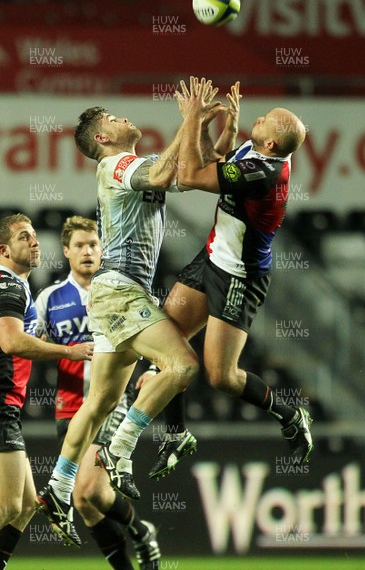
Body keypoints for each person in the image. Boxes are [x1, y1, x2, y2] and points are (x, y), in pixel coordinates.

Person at [36, 92, 234, 546]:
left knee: (101, 400)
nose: (124, 117)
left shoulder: (130, 165)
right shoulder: (114, 165)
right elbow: (166, 172)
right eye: (113, 117)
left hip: (113, 294)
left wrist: (203, 124)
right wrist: (187, 120)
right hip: (121, 292)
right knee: (182, 366)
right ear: (104, 137)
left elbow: (186, 170)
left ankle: (59, 486)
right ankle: (119, 450)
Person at [148, 77, 313, 480]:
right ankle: (176, 435)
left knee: (222, 377)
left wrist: (190, 118)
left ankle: (290, 414)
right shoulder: (258, 151)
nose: (260, 118)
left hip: (238, 276)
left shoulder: (262, 172)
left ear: (270, 145)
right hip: (210, 259)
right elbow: (209, 159)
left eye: (267, 122)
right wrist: (221, 127)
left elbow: (188, 177)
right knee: (168, 342)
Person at [36, 215, 161, 569]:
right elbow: (29, 345)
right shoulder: (50, 298)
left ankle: (140, 531)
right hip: (68, 408)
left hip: (108, 403)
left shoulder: (119, 291)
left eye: (93, 244)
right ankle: (139, 535)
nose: (87, 251)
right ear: (66, 251)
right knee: (87, 500)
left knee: (87, 491)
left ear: (102, 248)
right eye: (79, 245)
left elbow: (159, 335)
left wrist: (153, 368)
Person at [0, 213, 93, 569]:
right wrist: (69, 351)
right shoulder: (7, 285)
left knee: (24, 506)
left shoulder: (16, 287)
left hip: (9, 406)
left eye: (35, 235)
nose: (36, 242)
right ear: (5, 250)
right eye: (25, 237)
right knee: (8, 506)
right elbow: (10, 342)